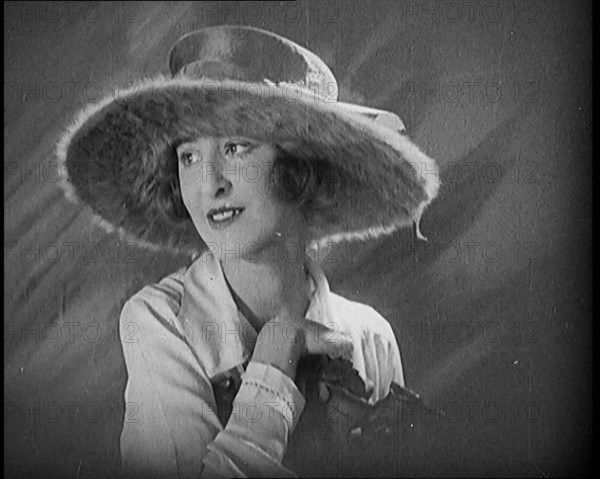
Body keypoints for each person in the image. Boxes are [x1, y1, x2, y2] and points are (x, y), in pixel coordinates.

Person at [56, 25, 439, 478]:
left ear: (298, 167)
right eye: (189, 157)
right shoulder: (160, 320)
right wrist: (275, 357)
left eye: (236, 147)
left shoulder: (369, 336)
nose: (210, 183)